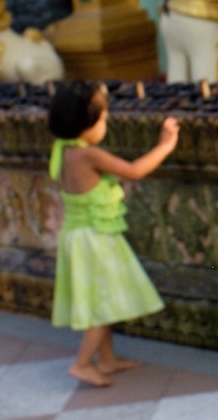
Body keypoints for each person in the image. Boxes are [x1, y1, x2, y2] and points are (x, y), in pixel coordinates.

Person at [48, 81, 180, 387]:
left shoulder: (63, 151)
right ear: (87, 123)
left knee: (100, 298)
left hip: (78, 235)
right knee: (103, 303)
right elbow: (133, 171)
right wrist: (165, 145)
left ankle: (106, 360)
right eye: (104, 118)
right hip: (94, 238)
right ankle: (82, 364)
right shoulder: (87, 155)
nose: (106, 124)